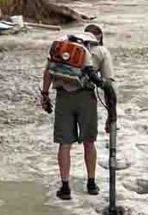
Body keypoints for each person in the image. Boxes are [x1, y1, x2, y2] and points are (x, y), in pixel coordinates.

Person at [40, 24, 116, 200]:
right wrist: (111, 114)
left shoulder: (64, 46)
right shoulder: (101, 51)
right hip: (86, 98)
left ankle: (65, 186)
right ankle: (91, 183)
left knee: (64, 143)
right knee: (89, 142)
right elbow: (108, 84)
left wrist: (45, 95)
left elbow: (48, 72)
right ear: (100, 37)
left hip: (63, 98)